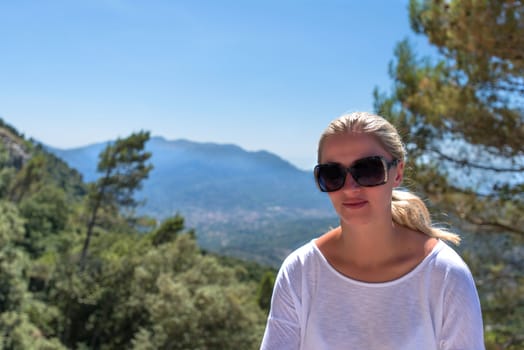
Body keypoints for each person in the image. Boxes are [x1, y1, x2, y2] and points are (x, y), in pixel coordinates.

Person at [260, 112, 485, 350]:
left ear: (397, 173)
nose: (350, 187)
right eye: (333, 174)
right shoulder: (301, 271)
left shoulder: (446, 275)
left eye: (368, 170)